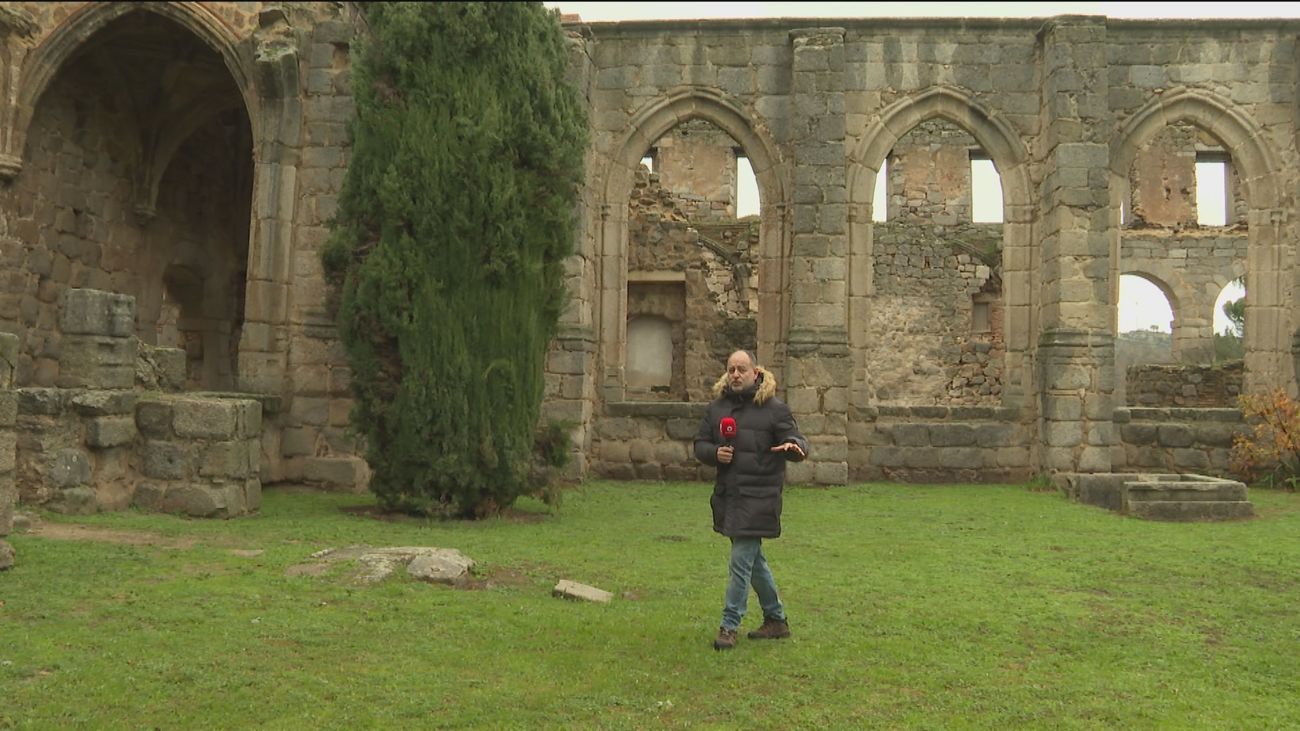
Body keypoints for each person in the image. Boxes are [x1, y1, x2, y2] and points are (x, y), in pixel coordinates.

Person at [694, 350, 809, 650]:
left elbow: (797, 440)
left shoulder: (774, 409)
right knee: (754, 562)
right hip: (729, 497)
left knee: (740, 563)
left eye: (741, 369)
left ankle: (729, 625)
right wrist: (714, 453)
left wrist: (793, 446)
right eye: (731, 369)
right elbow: (700, 444)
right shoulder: (717, 409)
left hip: (760, 498)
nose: (735, 374)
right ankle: (776, 619)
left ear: (755, 373)